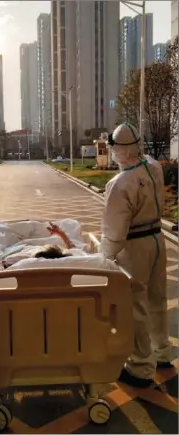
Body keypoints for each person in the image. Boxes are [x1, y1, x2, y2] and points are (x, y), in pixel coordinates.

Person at [100, 122, 172, 388]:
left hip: (135, 246)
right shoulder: (152, 167)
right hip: (157, 238)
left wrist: (103, 258)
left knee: (136, 305)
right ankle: (162, 351)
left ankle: (141, 367)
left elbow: (114, 232)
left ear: (117, 151)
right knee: (157, 297)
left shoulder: (120, 184)